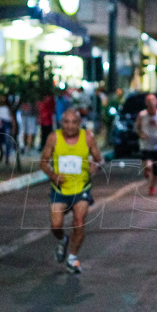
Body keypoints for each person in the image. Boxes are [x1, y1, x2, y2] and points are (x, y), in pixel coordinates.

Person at [41, 107, 102, 274]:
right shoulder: (54, 138)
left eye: (74, 122)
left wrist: (95, 165)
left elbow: (99, 159)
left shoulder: (88, 138)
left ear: (79, 123)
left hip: (81, 187)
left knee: (79, 222)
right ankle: (62, 240)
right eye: (66, 122)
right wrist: (53, 176)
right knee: (56, 225)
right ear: (61, 123)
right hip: (59, 189)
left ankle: (72, 258)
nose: (69, 126)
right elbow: (43, 162)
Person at [136, 93, 157, 195]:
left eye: (153, 101)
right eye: (149, 101)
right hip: (146, 144)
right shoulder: (142, 115)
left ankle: (152, 186)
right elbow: (137, 127)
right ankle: (147, 170)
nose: (151, 103)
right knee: (148, 165)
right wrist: (141, 134)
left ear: (156, 102)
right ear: (146, 103)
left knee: (156, 168)